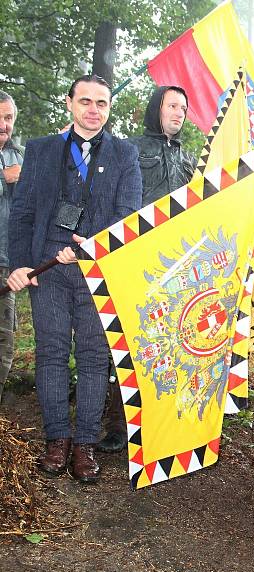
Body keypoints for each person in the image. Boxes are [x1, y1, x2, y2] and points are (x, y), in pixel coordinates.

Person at [7, 74, 142, 483]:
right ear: (69, 103)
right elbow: (24, 212)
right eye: (85, 101)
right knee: (49, 354)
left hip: (97, 271)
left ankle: (84, 444)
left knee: (93, 357)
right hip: (47, 269)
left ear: (108, 108)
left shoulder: (125, 154)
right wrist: (19, 264)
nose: (93, 109)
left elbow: (129, 215)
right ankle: (57, 441)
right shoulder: (41, 150)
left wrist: (91, 244)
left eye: (101, 103)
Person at [97, 85, 197, 453]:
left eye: (183, 108)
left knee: (167, 343)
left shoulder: (189, 158)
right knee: (121, 341)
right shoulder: (130, 149)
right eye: (172, 105)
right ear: (157, 108)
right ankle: (115, 425)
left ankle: (159, 423)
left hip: (176, 266)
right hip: (135, 260)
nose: (178, 113)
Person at [0, 91, 23, 402]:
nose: (3, 125)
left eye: (8, 118)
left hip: (7, 262)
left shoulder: (19, 156)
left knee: (4, 341)